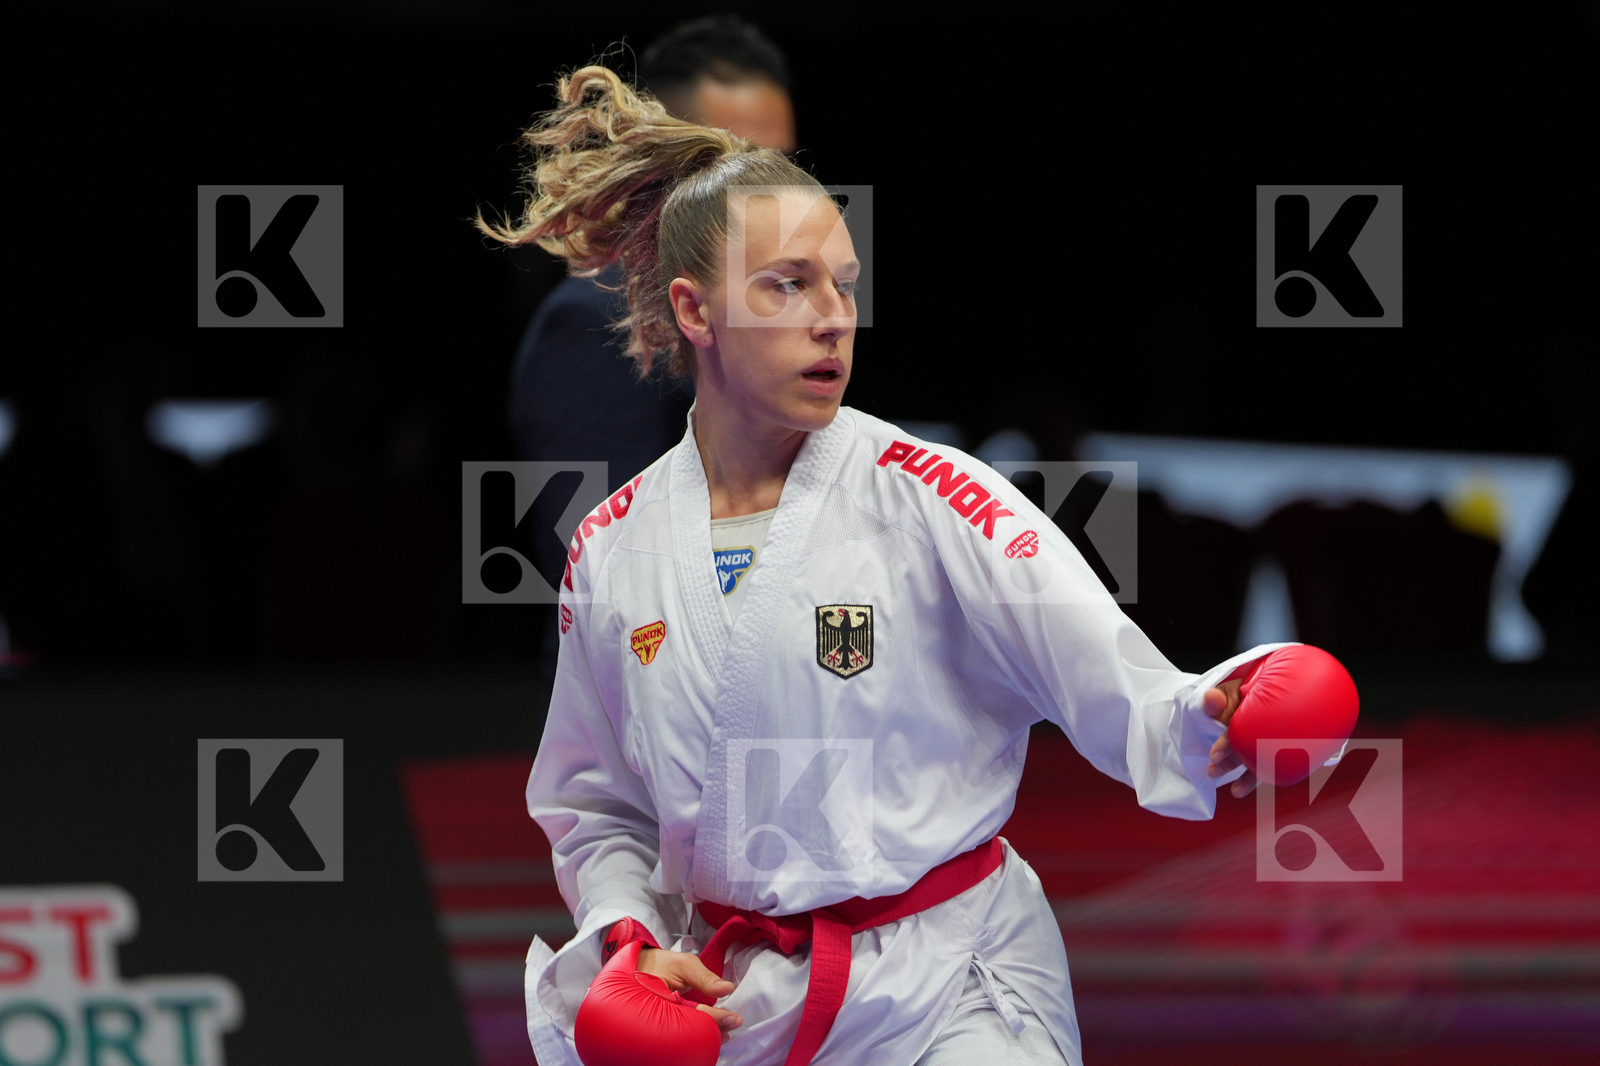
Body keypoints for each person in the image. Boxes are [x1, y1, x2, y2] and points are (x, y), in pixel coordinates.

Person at [477, 66, 1292, 1066]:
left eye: (842, 284)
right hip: (744, 998)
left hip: (953, 982)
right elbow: (597, 802)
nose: (831, 316)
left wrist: (1217, 713)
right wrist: (626, 934)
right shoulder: (613, 545)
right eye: (787, 284)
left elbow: (1119, 685)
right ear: (695, 312)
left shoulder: (935, 495)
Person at [508, 16, 795, 678]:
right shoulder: (592, 323)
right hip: (650, 711)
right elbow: (612, 576)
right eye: (736, 159)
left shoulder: (765, 312)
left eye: (782, 164)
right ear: (665, 153)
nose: (772, 190)